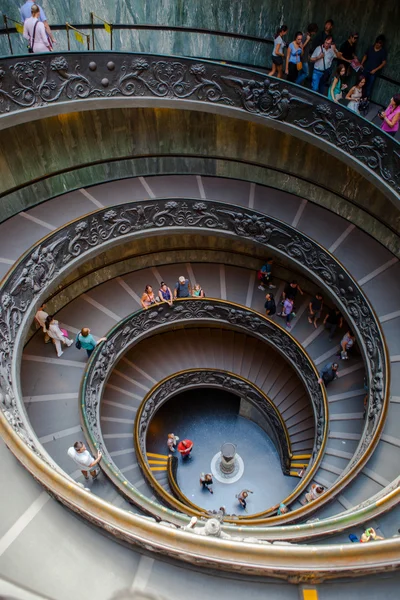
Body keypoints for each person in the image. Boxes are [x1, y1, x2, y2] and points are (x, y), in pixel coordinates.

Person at [361, 34, 387, 98]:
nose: (378, 44)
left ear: (382, 44)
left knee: (369, 86)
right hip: (366, 68)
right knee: (361, 83)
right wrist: (361, 64)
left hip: (373, 72)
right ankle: (359, 96)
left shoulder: (382, 52)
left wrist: (375, 70)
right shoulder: (371, 48)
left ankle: (366, 99)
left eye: (379, 43)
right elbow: (365, 55)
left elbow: (383, 63)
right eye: (377, 43)